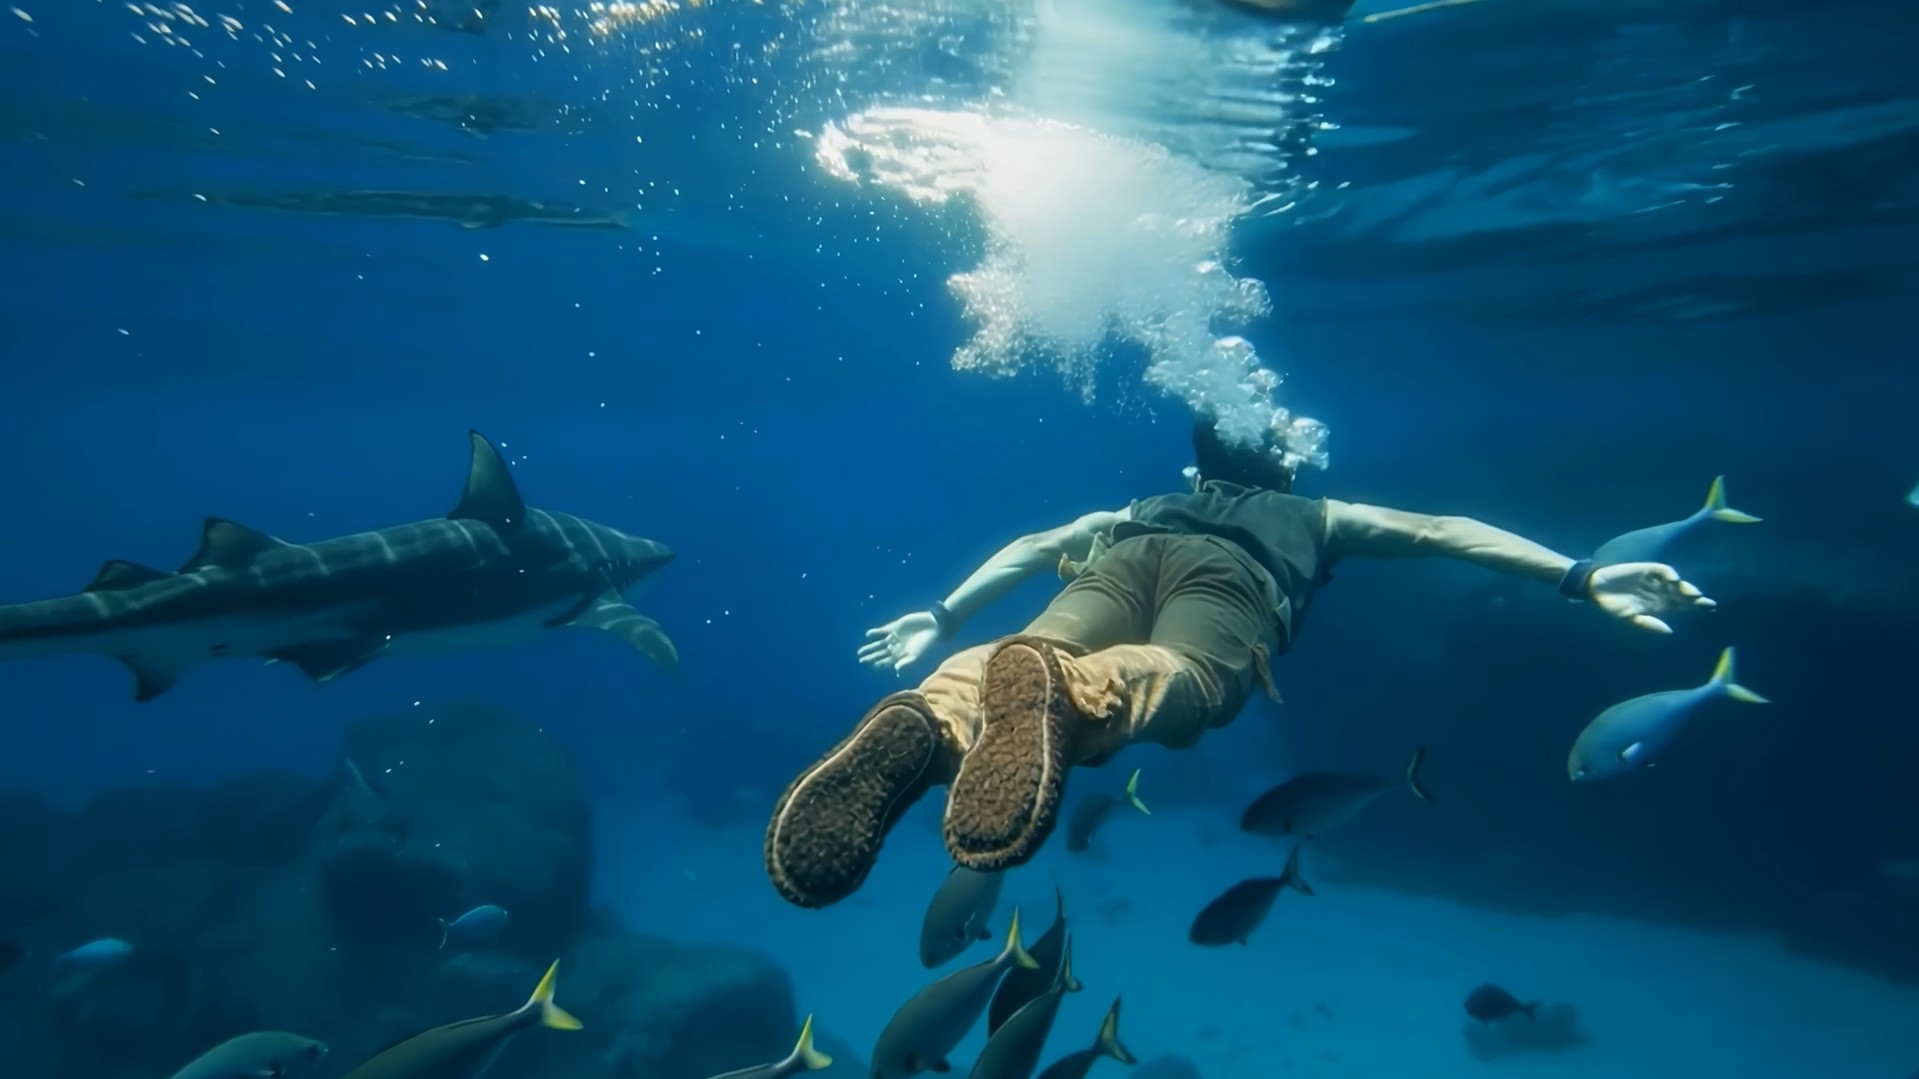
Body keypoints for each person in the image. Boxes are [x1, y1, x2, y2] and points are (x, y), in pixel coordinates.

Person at [763, 418, 1716, 909]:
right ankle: (1064, 692)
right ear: (1288, 466)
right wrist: (1578, 573)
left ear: (1199, 462)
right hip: (1235, 581)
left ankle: (931, 713)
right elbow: (1440, 530)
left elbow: (1028, 542)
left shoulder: (1144, 503)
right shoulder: (1316, 515)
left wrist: (939, 613)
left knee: (1030, 650)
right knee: (1185, 682)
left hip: (1123, 556)